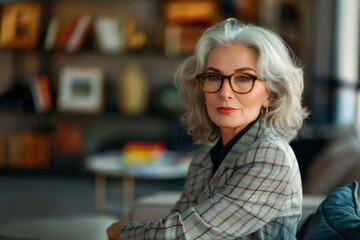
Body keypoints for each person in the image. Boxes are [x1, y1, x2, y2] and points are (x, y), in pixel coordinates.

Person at [107, 18, 309, 239]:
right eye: (214, 77)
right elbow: (179, 222)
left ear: (270, 95)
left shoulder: (272, 155)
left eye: (243, 78)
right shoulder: (204, 157)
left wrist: (124, 233)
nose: (225, 92)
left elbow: (190, 234)